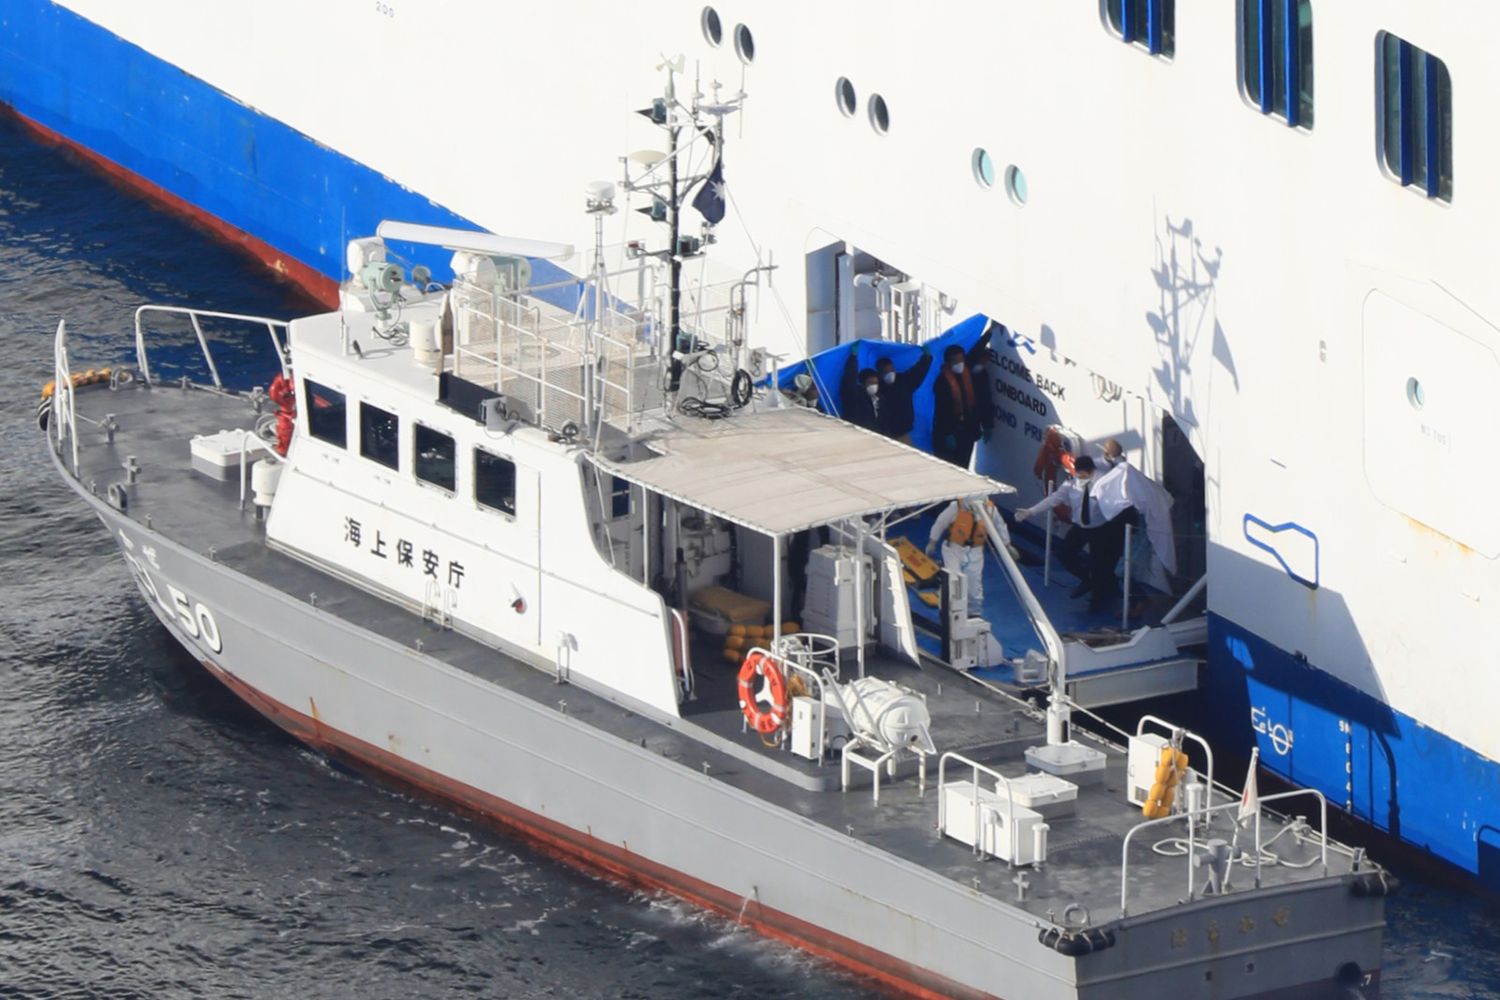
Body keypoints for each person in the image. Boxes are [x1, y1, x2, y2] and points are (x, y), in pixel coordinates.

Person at [1015, 455, 1136, 610]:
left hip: (1100, 528)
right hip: (1081, 527)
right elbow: (1053, 499)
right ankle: (1086, 579)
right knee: (1064, 554)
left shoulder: (1105, 484)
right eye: (1078, 475)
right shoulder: (1071, 484)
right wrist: (1030, 512)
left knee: (1099, 564)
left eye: (1084, 476)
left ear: (1092, 471)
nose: (1081, 479)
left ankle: (1096, 599)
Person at [925, 497, 1017, 608]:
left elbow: (999, 525)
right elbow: (940, 522)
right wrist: (932, 541)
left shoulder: (990, 510)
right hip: (954, 548)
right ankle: (947, 608)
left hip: (976, 551)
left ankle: (974, 611)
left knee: (974, 585)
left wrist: (1007, 544)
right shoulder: (955, 507)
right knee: (954, 580)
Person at [932, 344, 980, 466]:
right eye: (956, 361)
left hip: (967, 431)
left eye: (961, 360)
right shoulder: (941, 382)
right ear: (948, 362)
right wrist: (947, 433)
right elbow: (941, 412)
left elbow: (976, 351)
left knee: (964, 464)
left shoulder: (967, 373)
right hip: (950, 432)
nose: (960, 364)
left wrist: (989, 333)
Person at [874, 348, 932, 443]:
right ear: (879, 373)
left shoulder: (903, 382)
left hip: (903, 433)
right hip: (884, 436)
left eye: (892, 370)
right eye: (886, 372)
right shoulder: (877, 388)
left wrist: (927, 358)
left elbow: (918, 372)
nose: (890, 374)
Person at [967, 325, 998, 446]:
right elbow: (976, 349)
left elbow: (985, 401)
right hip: (955, 426)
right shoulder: (966, 367)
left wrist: (987, 425)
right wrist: (989, 332)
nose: (985, 363)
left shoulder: (982, 376)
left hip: (970, 429)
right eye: (983, 360)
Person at [839, 352, 881, 432]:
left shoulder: (879, 399)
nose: (874, 386)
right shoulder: (855, 397)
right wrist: (853, 358)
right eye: (870, 383)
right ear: (862, 383)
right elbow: (849, 380)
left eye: (876, 383)